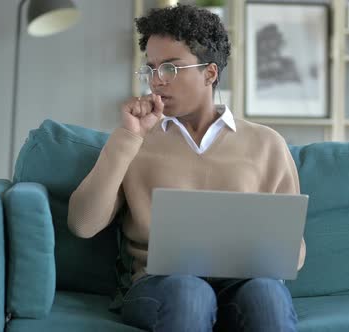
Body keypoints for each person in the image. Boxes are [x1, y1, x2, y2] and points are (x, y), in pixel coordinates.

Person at [68, 4, 306, 332]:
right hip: (161, 285)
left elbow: (293, 253)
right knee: (190, 293)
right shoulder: (135, 141)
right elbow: (82, 224)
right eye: (150, 69)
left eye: (170, 69)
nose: (156, 82)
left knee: (267, 294)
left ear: (210, 73)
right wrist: (127, 138)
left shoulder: (267, 144)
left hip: (244, 284)